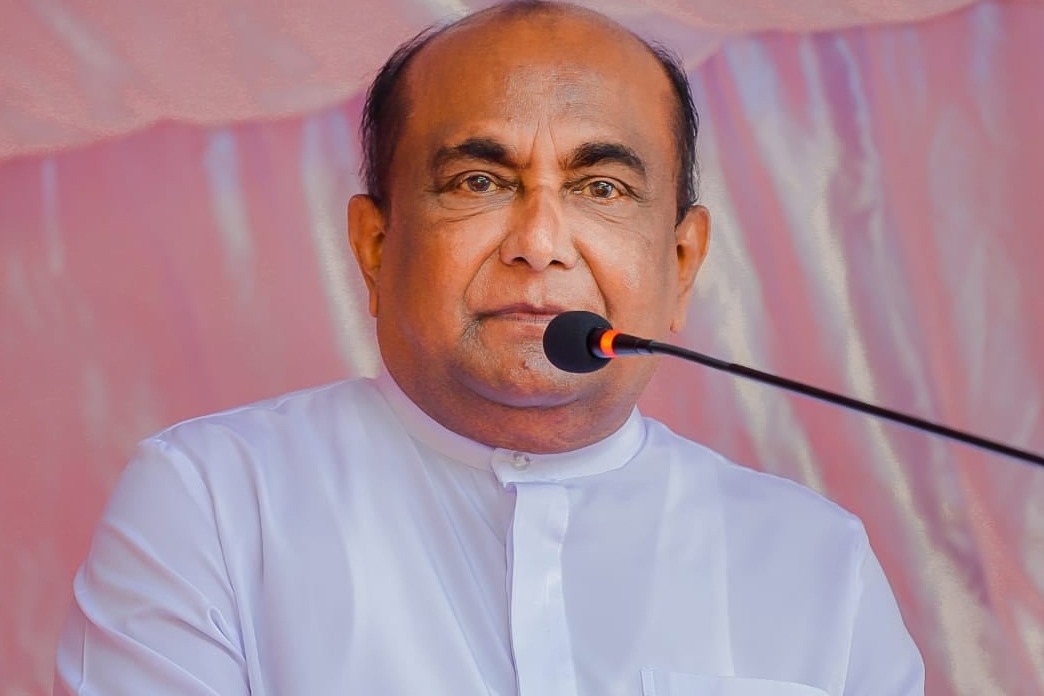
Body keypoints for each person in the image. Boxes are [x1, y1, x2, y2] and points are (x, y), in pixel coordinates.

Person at [54, 2, 925, 694]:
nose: (539, 243)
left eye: (601, 187)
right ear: (375, 246)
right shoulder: (211, 503)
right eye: (479, 181)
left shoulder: (816, 562)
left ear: (682, 262)